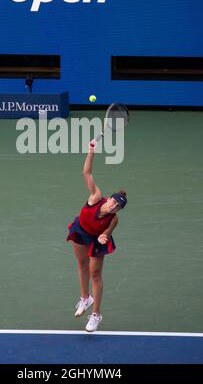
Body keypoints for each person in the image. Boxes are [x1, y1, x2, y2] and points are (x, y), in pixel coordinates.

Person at [67, 139, 127, 332]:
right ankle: (85, 299)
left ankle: (96, 314)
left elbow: (106, 234)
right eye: (113, 202)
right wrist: (91, 149)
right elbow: (87, 172)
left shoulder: (113, 219)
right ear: (109, 198)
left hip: (96, 239)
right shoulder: (95, 197)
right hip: (80, 230)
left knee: (95, 274)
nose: (113, 206)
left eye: (117, 207)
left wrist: (104, 236)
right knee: (81, 265)